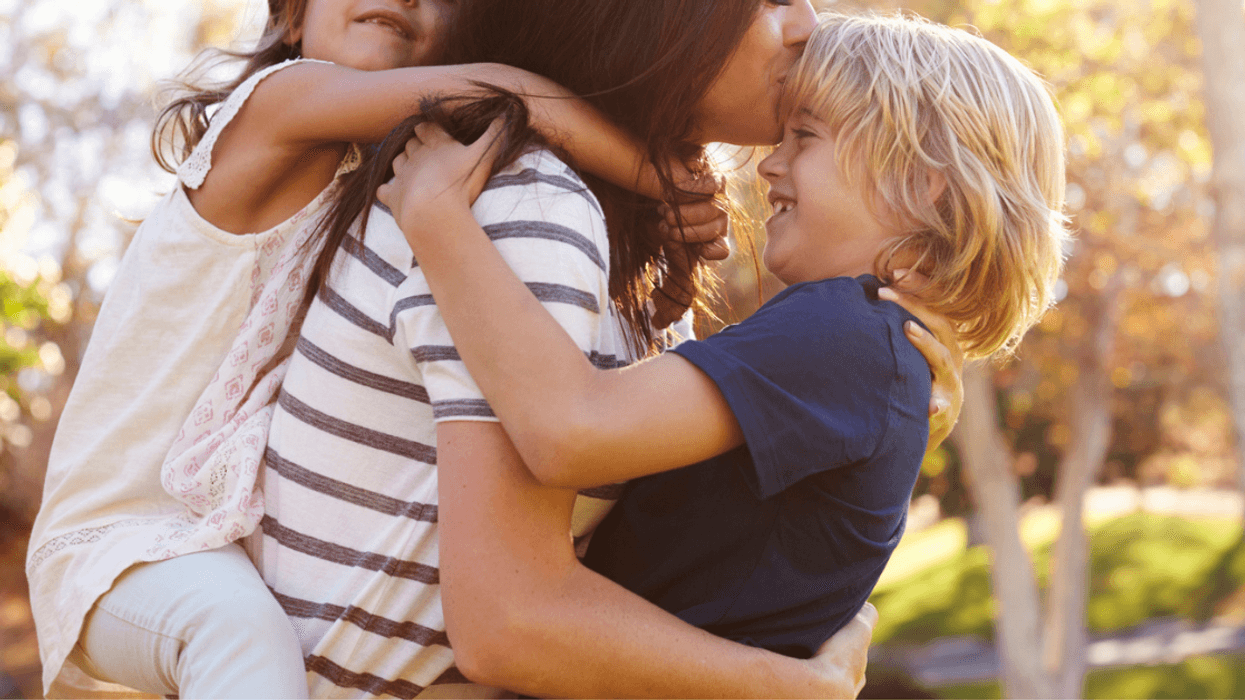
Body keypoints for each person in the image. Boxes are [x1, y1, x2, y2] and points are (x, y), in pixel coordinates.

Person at [253, 0, 964, 697]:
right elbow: (512, 619)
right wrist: (792, 688)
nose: (807, 23)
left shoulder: (612, 233)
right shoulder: (531, 209)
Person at [24, 0, 707, 696]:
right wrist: (658, 182)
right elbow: (501, 94)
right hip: (121, 539)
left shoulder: (381, 188)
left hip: (219, 536)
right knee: (241, 635)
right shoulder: (278, 103)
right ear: (291, 19)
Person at [379, 8, 1067, 665]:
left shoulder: (844, 331)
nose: (768, 163)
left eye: (806, 136)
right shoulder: (869, 348)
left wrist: (437, 220)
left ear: (923, 188)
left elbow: (571, 429)